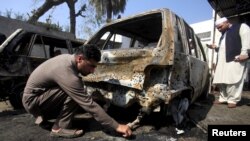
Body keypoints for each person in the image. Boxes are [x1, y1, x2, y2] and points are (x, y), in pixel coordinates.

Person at [22, 44, 132, 138]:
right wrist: (117, 126)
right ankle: (58, 128)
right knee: (76, 92)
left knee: (77, 90)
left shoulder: (67, 59)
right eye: (91, 66)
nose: (93, 71)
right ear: (80, 59)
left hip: (37, 98)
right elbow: (89, 105)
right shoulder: (66, 71)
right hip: (33, 103)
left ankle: (48, 119)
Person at [207, 17, 250, 108]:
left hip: (235, 59)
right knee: (222, 80)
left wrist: (244, 54)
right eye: (217, 28)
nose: (219, 29)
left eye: (220, 27)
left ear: (227, 22)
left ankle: (232, 100)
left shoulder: (241, 27)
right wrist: (215, 47)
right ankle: (223, 98)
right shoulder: (223, 34)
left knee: (233, 80)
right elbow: (224, 48)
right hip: (222, 61)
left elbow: (246, 40)